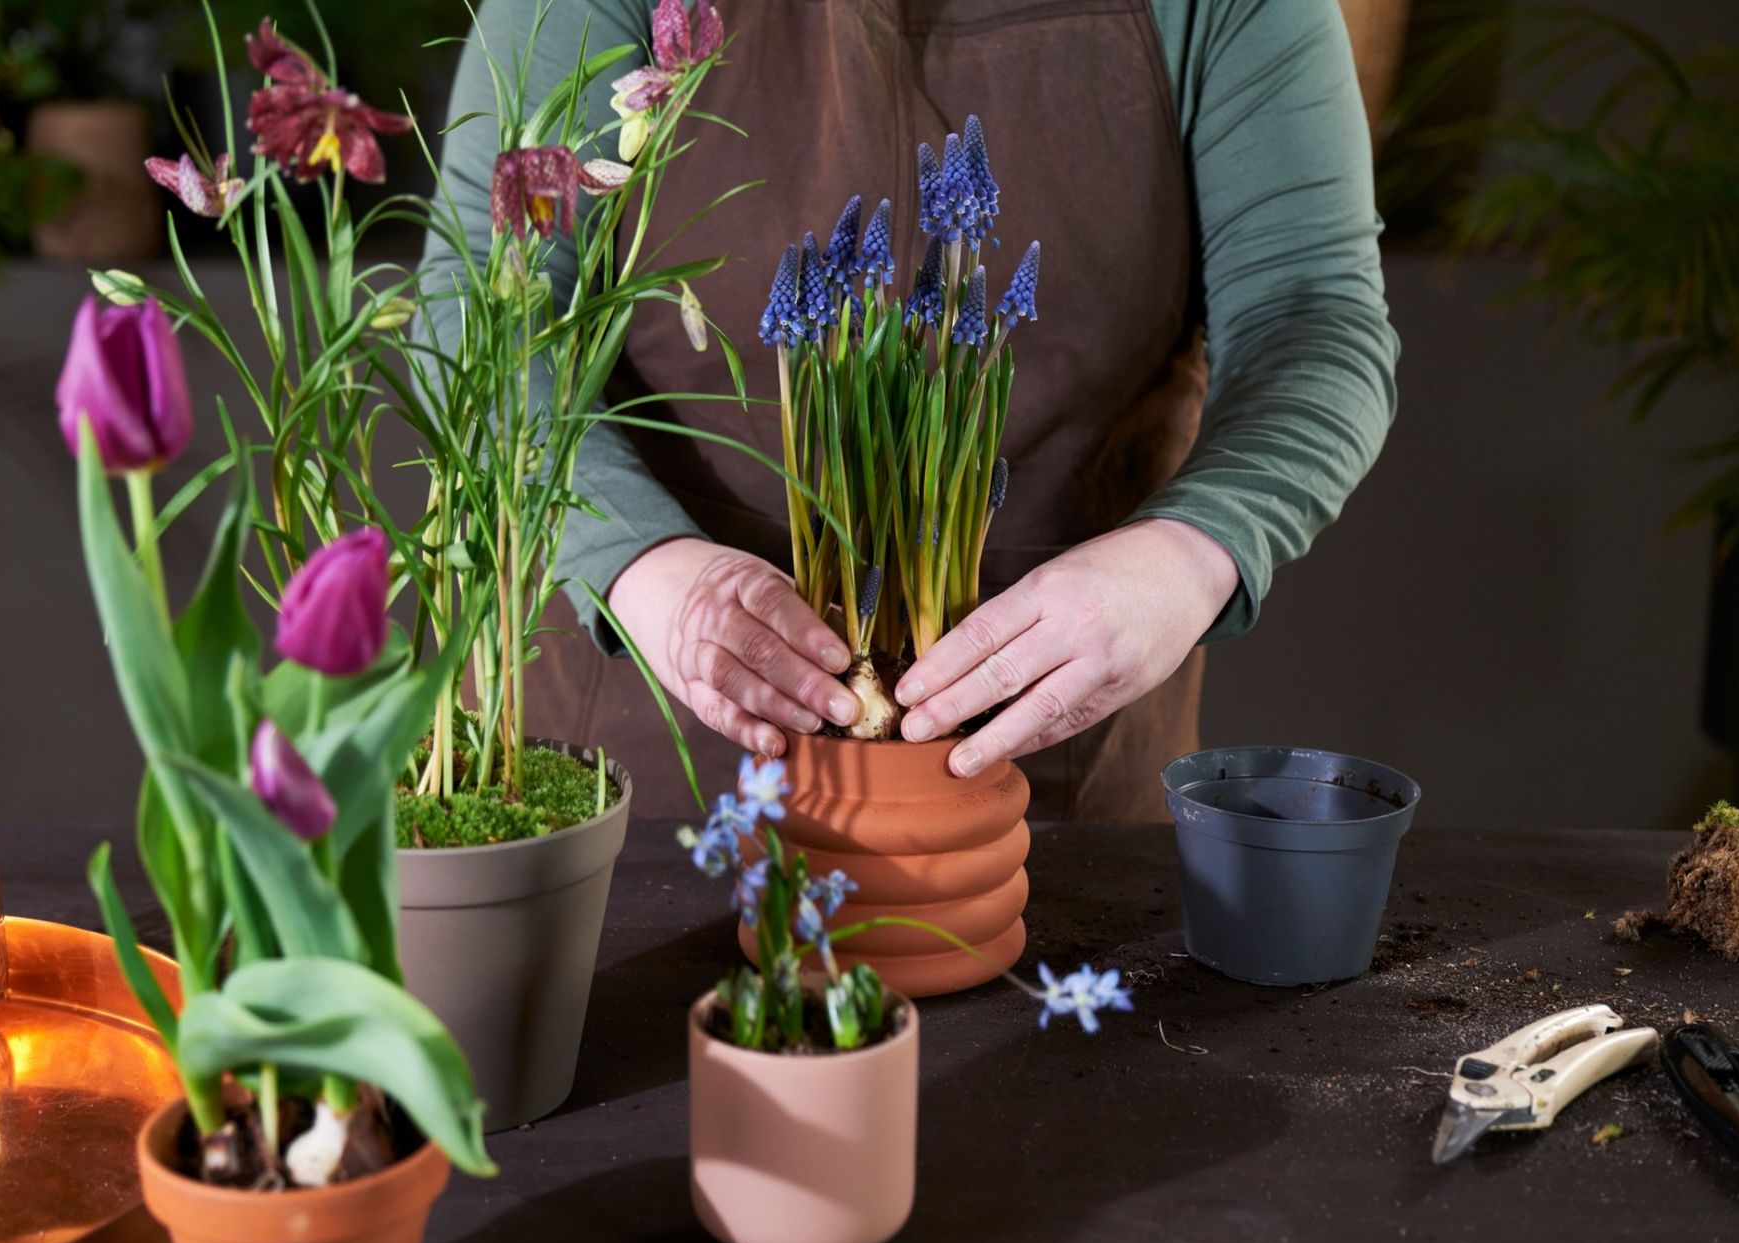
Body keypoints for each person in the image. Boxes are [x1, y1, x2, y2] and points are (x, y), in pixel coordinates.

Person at [421, 0, 1397, 821]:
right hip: (648, 777)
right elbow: (476, 311)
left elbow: (1313, 324)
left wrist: (1191, 552)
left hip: (1054, 783)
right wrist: (639, 563)